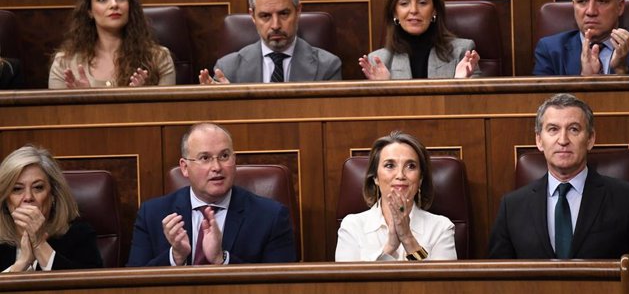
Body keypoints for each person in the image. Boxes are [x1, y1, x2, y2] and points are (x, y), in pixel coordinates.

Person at [488, 93, 629, 294]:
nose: (563, 140)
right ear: (539, 140)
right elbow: (494, 280)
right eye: (553, 129)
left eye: (574, 129)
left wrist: (612, 290)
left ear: (590, 139)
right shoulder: (512, 207)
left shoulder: (627, 199)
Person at [127, 123, 296, 266]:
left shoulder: (270, 216)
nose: (216, 167)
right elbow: (132, 284)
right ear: (185, 167)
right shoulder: (152, 214)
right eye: (205, 158)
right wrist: (176, 257)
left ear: (234, 160)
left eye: (224, 156)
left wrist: (221, 259)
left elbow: (281, 285)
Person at [199, 0, 341, 84]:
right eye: (265, 16)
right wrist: (223, 105)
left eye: (284, 13)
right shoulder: (228, 69)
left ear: (298, 11)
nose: (275, 25)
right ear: (253, 16)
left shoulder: (327, 67)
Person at [335, 131, 456, 261]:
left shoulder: (441, 228)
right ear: (375, 177)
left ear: (420, 178)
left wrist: (407, 238)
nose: (400, 175)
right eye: (390, 165)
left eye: (411, 166)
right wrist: (390, 247)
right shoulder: (352, 226)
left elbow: (441, 281)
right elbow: (350, 281)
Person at [48, 0, 175, 88]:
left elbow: (168, 112)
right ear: (90, 11)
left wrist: (143, 98)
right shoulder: (64, 62)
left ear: (130, 7)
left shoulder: (159, 58)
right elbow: (55, 113)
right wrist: (83, 99)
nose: (114, 4)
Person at [359, 0, 480, 80]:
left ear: (434, 9)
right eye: (404, 3)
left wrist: (460, 84)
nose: (414, 10)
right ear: (394, 12)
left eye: (422, 2)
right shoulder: (379, 61)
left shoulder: (463, 53)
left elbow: (480, 102)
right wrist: (385, 89)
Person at [0, 145, 103, 272]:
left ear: (53, 194)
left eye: (38, 187)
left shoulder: (80, 235)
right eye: (17, 189)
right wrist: (21, 264)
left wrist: (39, 244)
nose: (28, 197)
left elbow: (91, 288)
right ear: (5, 199)